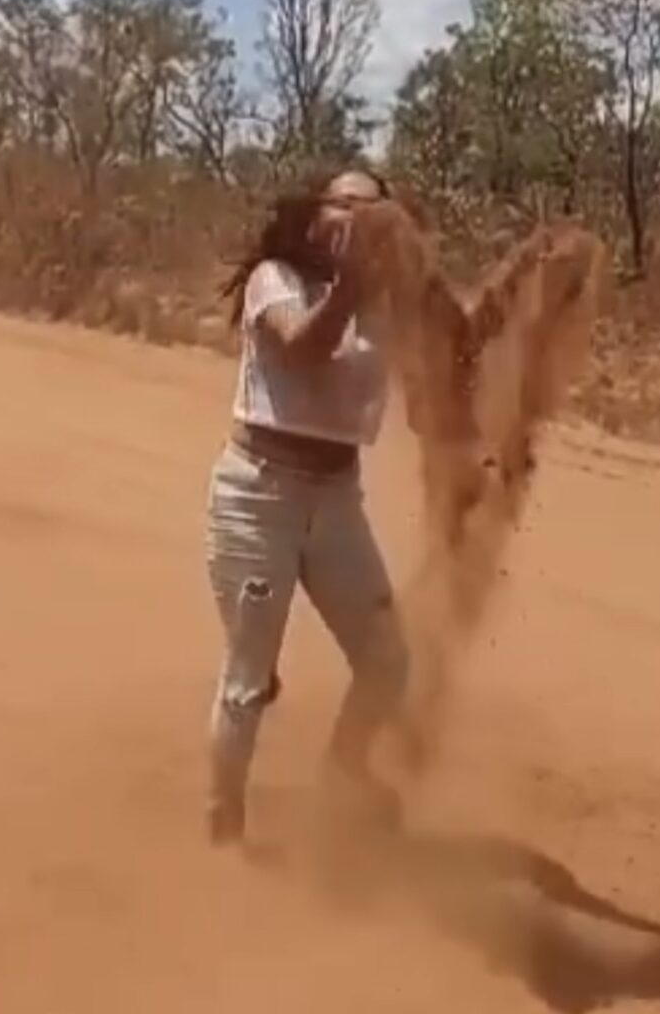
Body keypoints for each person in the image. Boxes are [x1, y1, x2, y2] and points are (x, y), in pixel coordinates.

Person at [204, 169, 416, 845]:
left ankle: (344, 770)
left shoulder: (387, 301)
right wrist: (354, 281)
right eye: (343, 204)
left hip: (336, 500)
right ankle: (224, 823)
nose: (355, 218)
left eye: (371, 209)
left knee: (386, 660)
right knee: (246, 682)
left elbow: (450, 356)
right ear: (314, 214)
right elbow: (301, 350)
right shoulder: (275, 280)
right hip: (256, 495)